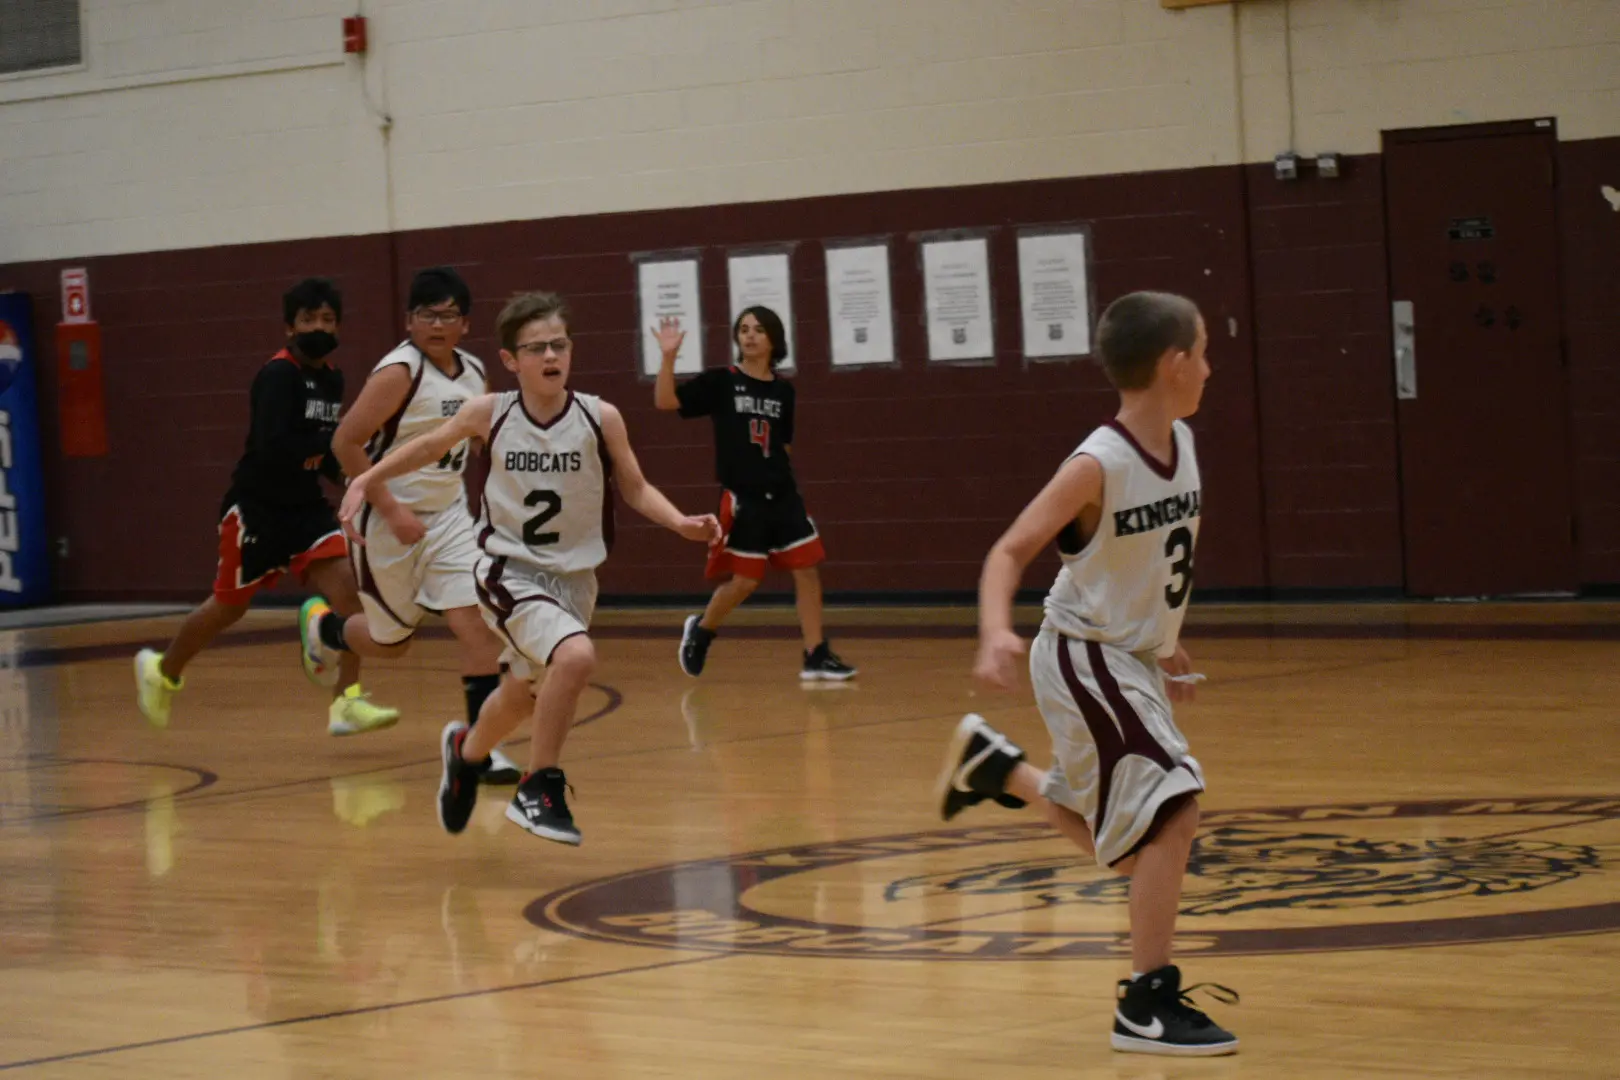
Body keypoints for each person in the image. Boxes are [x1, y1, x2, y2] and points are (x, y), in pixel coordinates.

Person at [934, 291, 1237, 1056]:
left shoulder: (1185, 443)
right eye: (1202, 351)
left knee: (1142, 853)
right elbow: (1008, 551)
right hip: (1081, 656)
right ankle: (1145, 1002)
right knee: (1176, 804)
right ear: (1173, 365)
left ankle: (999, 771)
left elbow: (1142, 557)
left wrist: (1163, 638)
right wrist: (995, 630)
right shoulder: (1096, 463)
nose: (1210, 364)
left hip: (1126, 654)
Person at [339, 291, 719, 844]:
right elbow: (426, 448)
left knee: (522, 695)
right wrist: (365, 480)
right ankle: (540, 785)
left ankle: (465, 754)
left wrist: (680, 522)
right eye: (536, 347)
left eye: (558, 344)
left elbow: (634, 487)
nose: (550, 355)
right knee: (577, 656)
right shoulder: (489, 412)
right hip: (507, 571)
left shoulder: (599, 416)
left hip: (574, 582)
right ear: (511, 360)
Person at [133, 278, 398, 735]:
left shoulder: (331, 378)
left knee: (350, 592)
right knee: (228, 608)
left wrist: (354, 477)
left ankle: (346, 702)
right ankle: (163, 670)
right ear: (289, 328)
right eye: (309, 319)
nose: (319, 326)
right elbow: (276, 445)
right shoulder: (277, 376)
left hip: (305, 509)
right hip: (257, 510)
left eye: (328, 319)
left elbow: (324, 454)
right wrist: (331, 445)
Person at [300, 266, 520, 784]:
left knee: (478, 628)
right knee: (392, 643)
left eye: (448, 315)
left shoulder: (472, 371)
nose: (437, 324)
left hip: (448, 519)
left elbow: (480, 439)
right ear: (409, 321)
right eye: (427, 314)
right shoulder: (399, 372)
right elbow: (345, 444)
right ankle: (326, 628)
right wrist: (393, 509)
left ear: (465, 323)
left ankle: (479, 750)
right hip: (386, 518)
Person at [653, 306, 856, 682]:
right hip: (743, 498)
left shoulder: (784, 391)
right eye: (743, 329)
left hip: (782, 495)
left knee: (807, 570)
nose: (749, 335)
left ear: (773, 339)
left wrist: (779, 479)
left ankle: (815, 654)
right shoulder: (721, 382)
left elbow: (785, 444)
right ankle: (701, 630)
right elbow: (666, 402)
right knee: (746, 581)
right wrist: (668, 359)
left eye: (758, 329)